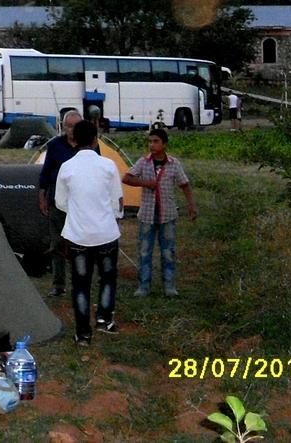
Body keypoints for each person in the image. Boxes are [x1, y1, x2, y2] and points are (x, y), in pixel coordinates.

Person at [55, 120, 123, 346]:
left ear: (74, 140)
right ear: (96, 139)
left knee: (81, 285)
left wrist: (78, 211)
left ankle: (83, 334)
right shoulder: (108, 166)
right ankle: (104, 319)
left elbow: (60, 202)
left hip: (78, 236)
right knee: (108, 279)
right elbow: (117, 202)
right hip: (106, 234)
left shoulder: (66, 167)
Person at [122, 127, 197, 297]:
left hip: (168, 214)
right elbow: (126, 178)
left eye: (156, 141)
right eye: (150, 141)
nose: (152, 145)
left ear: (164, 144)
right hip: (147, 214)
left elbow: (184, 184)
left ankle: (169, 286)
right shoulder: (144, 162)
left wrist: (191, 206)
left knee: (168, 252)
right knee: (144, 252)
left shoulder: (173, 164)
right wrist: (145, 183)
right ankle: (143, 286)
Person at [38, 109, 84, 298]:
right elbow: (46, 173)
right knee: (57, 243)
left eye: (76, 126)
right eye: (69, 126)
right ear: (63, 126)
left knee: (79, 244)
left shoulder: (88, 145)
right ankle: (58, 284)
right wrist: (42, 196)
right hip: (57, 201)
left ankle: (79, 282)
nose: (72, 129)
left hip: (80, 203)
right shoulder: (55, 145)